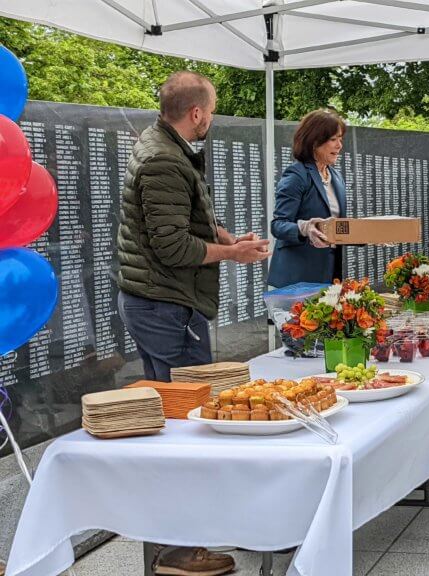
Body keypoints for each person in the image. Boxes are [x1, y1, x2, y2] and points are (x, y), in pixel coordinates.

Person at [117, 71, 270, 576]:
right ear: (197, 113)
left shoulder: (166, 146)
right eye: (214, 109)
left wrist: (231, 240)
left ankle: (184, 535)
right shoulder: (164, 157)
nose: (214, 117)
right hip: (165, 305)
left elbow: (191, 219)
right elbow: (172, 246)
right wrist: (232, 253)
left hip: (166, 302)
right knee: (187, 423)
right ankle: (177, 550)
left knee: (183, 418)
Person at [268, 109, 347, 287]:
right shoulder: (297, 175)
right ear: (314, 142)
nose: (339, 145)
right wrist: (305, 228)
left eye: (340, 139)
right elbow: (278, 225)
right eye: (333, 139)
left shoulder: (336, 177)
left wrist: (373, 233)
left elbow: (338, 228)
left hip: (330, 276)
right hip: (298, 279)